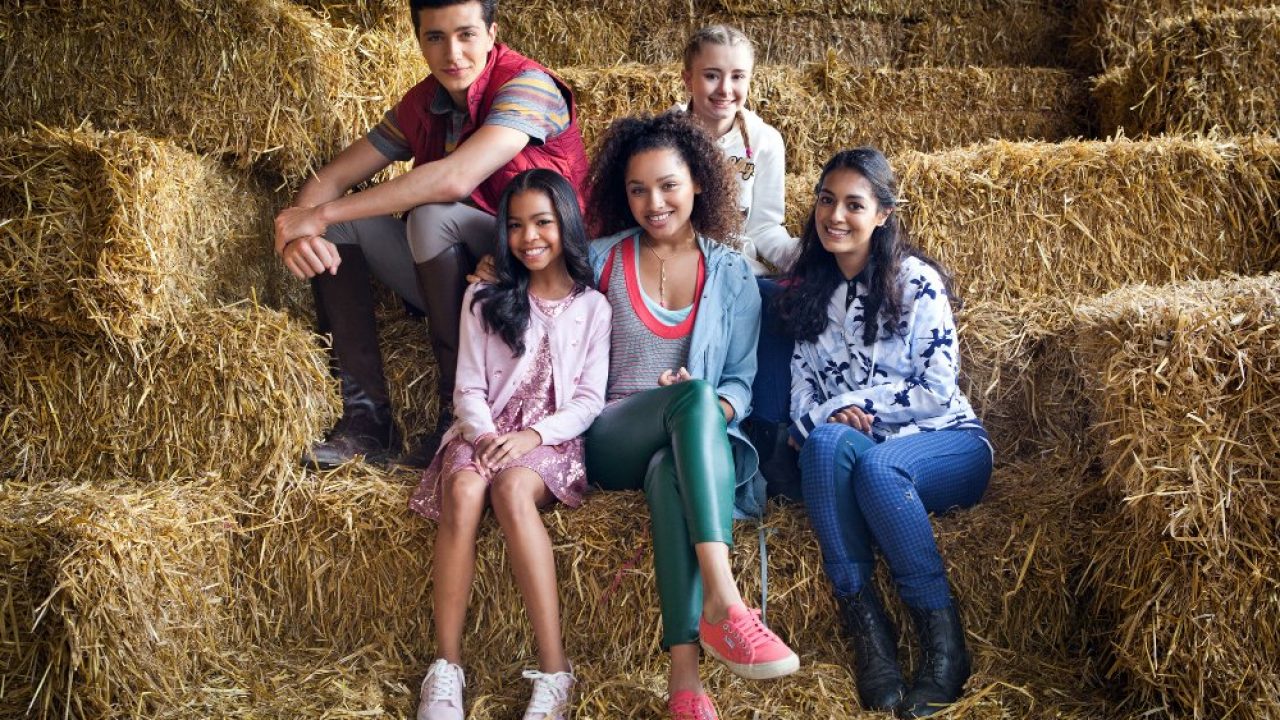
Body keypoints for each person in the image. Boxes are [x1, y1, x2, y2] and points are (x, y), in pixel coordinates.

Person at [273, 0, 588, 469]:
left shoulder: (528, 85)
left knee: (428, 215)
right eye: (435, 38)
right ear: (418, 41)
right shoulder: (422, 104)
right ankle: (365, 421)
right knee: (339, 226)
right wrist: (300, 228)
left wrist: (318, 214)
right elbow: (332, 178)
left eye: (466, 34)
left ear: (492, 33)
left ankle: (455, 412)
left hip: (540, 276)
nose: (452, 53)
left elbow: (455, 179)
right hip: (464, 281)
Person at [583, 111, 798, 720]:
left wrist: (704, 405)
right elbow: (539, 293)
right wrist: (493, 266)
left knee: (672, 462)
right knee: (693, 399)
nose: (654, 203)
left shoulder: (731, 272)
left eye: (668, 185)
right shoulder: (597, 260)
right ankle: (726, 602)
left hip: (682, 445)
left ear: (700, 182)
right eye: (638, 189)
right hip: (611, 435)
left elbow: (739, 384)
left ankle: (685, 685)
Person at [776, 148, 993, 718]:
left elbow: (937, 388)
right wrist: (827, 420)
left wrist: (843, 405)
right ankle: (869, 632)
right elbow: (802, 392)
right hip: (861, 449)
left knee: (876, 466)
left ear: (883, 214)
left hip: (949, 441)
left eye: (854, 204)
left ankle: (945, 646)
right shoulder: (810, 292)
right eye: (826, 200)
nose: (836, 216)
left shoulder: (915, 282)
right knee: (826, 444)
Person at [409, 169, 610, 720]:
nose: (529, 237)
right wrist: (485, 435)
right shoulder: (483, 295)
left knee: (513, 491)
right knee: (465, 490)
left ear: (566, 224)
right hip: (484, 429)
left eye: (542, 222)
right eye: (516, 226)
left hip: (549, 438)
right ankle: (445, 669)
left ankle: (555, 672)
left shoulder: (593, 308)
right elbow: (468, 387)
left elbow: (588, 400)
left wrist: (533, 436)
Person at [676, 25, 800, 499]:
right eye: (711, 75)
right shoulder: (665, 135)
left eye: (737, 76)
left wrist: (810, 262)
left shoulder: (764, 141)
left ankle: (767, 438)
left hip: (740, 270)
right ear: (687, 77)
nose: (724, 89)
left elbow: (765, 226)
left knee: (777, 302)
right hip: (682, 262)